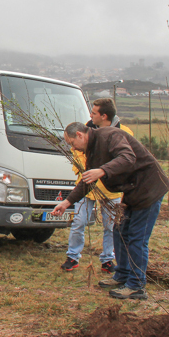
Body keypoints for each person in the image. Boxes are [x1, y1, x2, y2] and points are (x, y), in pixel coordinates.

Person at [53, 121, 169, 300]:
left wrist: (102, 170)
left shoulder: (110, 135)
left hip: (149, 189)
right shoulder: (91, 150)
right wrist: (66, 203)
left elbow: (127, 158)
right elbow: (88, 181)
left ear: (80, 135)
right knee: (120, 231)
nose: (74, 149)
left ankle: (136, 285)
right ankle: (122, 275)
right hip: (134, 191)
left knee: (137, 239)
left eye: (72, 144)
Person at [62, 98, 132, 273]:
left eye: (94, 112)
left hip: (111, 190)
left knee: (111, 226)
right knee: (79, 222)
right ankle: (73, 257)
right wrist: (84, 171)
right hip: (87, 186)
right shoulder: (85, 132)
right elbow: (77, 154)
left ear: (104, 115)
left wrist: (104, 172)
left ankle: (108, 260)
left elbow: (126, 159)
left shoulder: (124, 133)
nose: (91, 115)